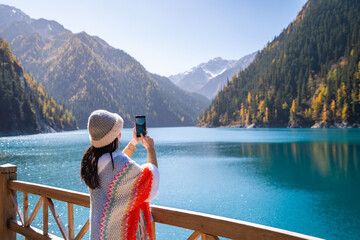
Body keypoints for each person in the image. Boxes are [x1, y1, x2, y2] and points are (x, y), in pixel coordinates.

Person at [80, 110, 159, 240]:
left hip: (99, 233)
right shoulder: (118, 163)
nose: (120, 135)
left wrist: (134, 142)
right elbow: (151, 180)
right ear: (114, 137)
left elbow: (116, 172)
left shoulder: (92, 161)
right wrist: (150, 148)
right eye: (118, 132)